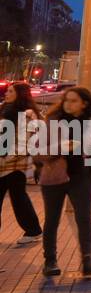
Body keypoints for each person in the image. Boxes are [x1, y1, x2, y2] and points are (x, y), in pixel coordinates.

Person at [37, 86, 91, 277]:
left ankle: (88, 261)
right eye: (66, 100)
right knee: (52, 220)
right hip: (54, 178)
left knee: (84, 219)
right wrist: (62, 147)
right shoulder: (53, 122)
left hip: (80, 178)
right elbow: (39, 153)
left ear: (84, 103)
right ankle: (50, 262)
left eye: (73, 101)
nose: (68, 104)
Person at [0, 82, 42, 243]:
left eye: (11, 91)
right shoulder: (4, 109)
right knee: (18, 197)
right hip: (4, 161)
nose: (7, 93)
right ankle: (33, 230)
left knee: (18, 197)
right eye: (7, 91)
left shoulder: (27, 114)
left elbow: (25, 140)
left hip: (14, 162)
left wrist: (11, 156)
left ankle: (33, 230)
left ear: (20, 94)